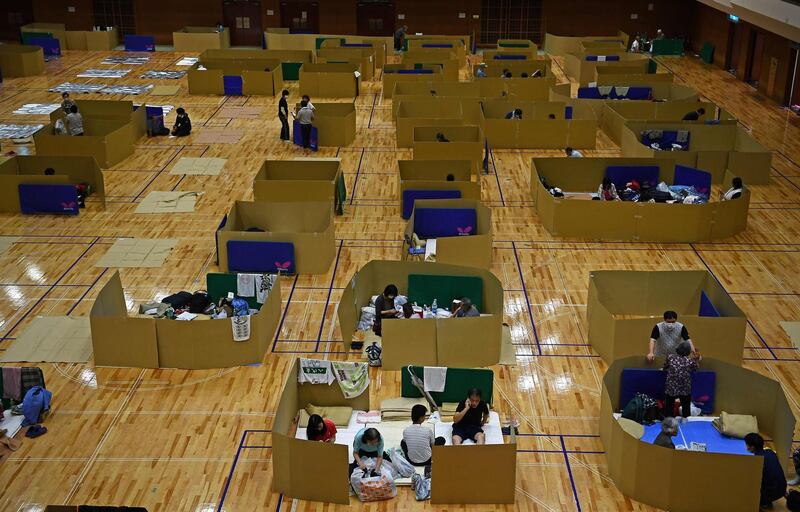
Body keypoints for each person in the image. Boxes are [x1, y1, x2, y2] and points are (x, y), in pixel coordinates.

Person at [745, 433, 787, 509]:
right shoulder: (770, 452)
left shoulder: (757, 461)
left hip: (773, 492)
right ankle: (766, 500)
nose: (746, 447)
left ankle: (765, 502)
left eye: (747, 445)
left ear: (752, 447)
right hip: (783, 488)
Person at [662, 341, 700, 418]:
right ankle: (687, 421)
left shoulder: (670, 357)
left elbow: (665, 368)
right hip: (685, 388)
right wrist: (696, 359)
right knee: (686, 407)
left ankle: (669, 420)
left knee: (669, 406)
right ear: (688, 352)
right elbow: (696, 369)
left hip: (671, 388)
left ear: (678, 349)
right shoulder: (690, 361)